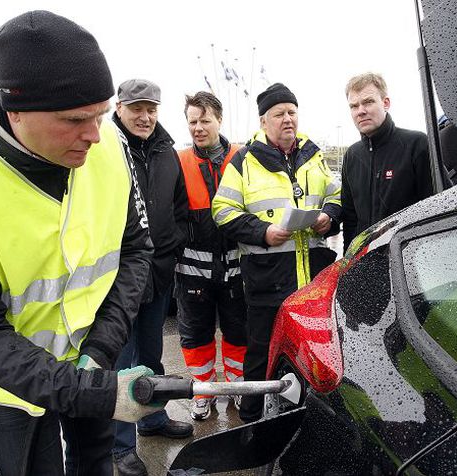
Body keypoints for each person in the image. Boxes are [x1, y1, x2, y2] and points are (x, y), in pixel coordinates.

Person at [0, 11, 162, 475]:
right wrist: (87, 388)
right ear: (16, 111)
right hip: (10, 386)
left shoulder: (110, 145)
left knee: (96, 464)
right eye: (73, 120)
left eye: (101, 115)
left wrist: (102, 348)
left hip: (94, 355)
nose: (93, 134)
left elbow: (135, 250)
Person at [212, 83, 341, 422]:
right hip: (267, 279)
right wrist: (262, 232)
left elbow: (337, 196)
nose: (288, 119)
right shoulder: (244, 161)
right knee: (260, 353)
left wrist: (330, 217)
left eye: (292, 112)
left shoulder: (314, 157)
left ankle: (304, 416)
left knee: (313, 351)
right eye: (279, 114)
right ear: (264, 120)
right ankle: (251, 420)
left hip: (312, 279)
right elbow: (222, 211)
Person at [111, 79, 192, 475]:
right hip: (117, 279)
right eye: (136, 108)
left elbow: (179, 206)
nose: (144, 117)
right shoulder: (104, 149)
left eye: (151, 109)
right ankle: (120, 446)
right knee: (120, 364)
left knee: (152, 357)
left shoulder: (166, 152)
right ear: (119, 107)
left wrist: (172, 248)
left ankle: (153, 420)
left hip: (158, 274)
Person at [176, 92, 247, 420]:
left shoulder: (243, 158)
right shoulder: (178, 161)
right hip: (193, 270)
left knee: (239, 331)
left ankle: (237, 386)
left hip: (237, 267)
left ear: (219, 120)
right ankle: (202, 390)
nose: (198, 127)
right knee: (195, 334)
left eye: (205, 120)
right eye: (193, 121)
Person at [341, 72, 432, 252]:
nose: (361, 111)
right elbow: (350, 219)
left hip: (410, 263)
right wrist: (347, 264)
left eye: (368, 102)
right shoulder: (352, 156)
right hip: (365, 264)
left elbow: (436, 207)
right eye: (354, 106)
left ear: (386, 103)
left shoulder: (417, 144)